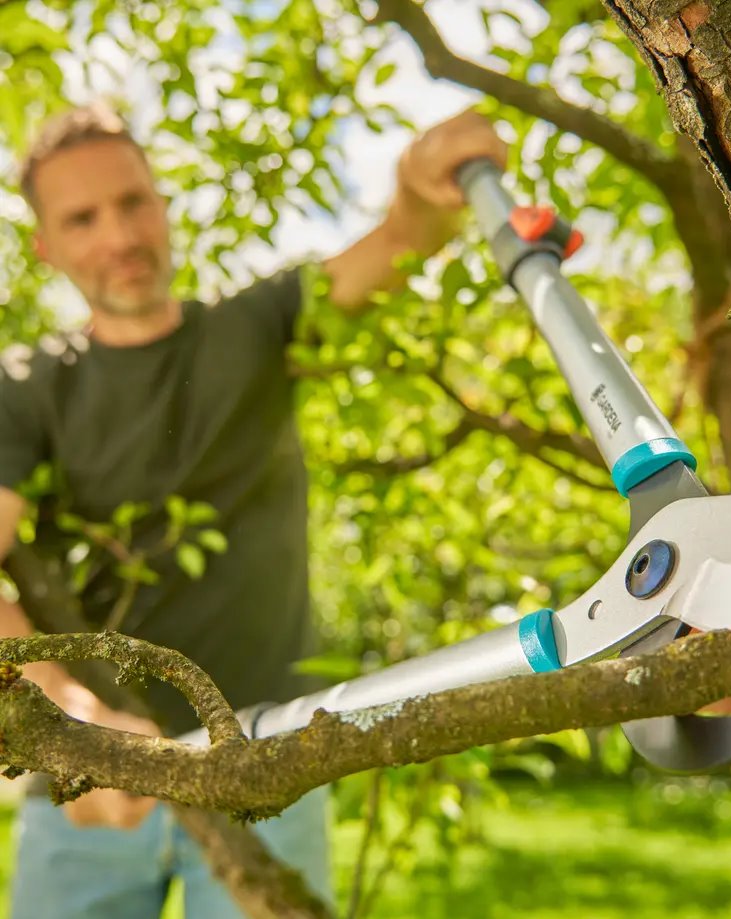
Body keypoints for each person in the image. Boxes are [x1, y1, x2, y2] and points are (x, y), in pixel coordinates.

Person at [0, 101, 507, 918]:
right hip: (89, 781)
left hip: (269, 756)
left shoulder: (253, 327)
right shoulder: (25, 387)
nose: (120, 236)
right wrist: (69, 722)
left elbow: (391, 247)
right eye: (83, 217)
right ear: (45, 248)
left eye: (133, 202)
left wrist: (417, 191)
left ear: (162, 205)